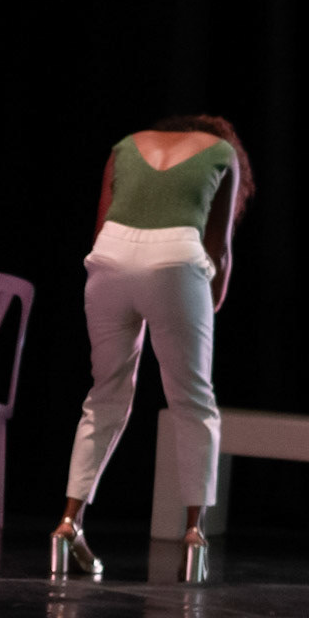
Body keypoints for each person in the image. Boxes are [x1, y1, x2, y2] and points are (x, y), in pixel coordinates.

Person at [50, 115, 253, 582]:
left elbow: (101, 227)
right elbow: (219, 249)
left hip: (109, 257)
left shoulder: (126, 144)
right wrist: (209, 301)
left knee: (104, 397)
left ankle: (67, 523)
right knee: (193, 401)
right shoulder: (223, 154)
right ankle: (194, 535)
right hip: (176, 260)